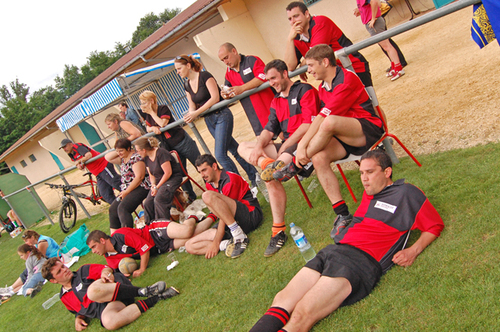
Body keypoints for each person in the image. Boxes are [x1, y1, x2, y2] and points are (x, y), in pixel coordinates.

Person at [250, 149, 445, 332]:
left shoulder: (407, 194)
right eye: (361, 173)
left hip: (360, 263)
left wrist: (413, 250)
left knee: (302, 312)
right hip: (333, 251)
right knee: (282, 300)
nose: (364, 179)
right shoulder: (370, 195)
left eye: (369, 172)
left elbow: (434, 225)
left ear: (387, 172)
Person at [274, 44, 384, 235]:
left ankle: (297, 166)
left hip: (367, 131)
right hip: (343, 136)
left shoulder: (346, 79)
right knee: (318, 158)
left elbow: (325, 120)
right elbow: (318, 121)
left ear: (325, 62)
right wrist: (302, 147)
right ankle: (342, 214)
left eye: (310, 65)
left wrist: (300, 149)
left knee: (328, 122)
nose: (307, 70)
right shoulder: (324, 88)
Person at [238, 59, 320, 257]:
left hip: (306, 144)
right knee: (243, 147)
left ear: (285, 74)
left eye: (274, 78)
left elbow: (310, 124)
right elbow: (269, 129)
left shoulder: (305, 90)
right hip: (286, 149)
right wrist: (259, 148)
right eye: (268, 79)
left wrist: (285, 144)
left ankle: (278, 231)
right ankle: (269, 165)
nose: (271, 82)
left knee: (269, 177)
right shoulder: (275, 101)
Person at [174, 54, 258, 187]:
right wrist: (190, 114)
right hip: (209, 120)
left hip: (222, 116)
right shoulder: (186, 85)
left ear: (188, 66)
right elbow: (191, 106)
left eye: (179, 68)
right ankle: (254, 177)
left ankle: (238, 186)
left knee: (220, 155)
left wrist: (196, 113)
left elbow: (215, 98)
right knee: (235, 150)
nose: (177, 72)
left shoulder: (205, 76)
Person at [42, 257, 179, 331]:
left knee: (91, 292)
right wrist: (78, 319)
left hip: (117, 289)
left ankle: (143, 291)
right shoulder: (64, 298)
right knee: (109, 322)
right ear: (53, 281)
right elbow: (78, 310)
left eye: (63, 266)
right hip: (111, 307)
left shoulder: (82, 272)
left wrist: (105, 274)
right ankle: (158, 297)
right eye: (59, 272)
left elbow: (106, 269)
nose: (65, 270)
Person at [185, 154, 263, 259]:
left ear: (214, 166)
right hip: (231, 222)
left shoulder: (230, 180)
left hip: (251, 216)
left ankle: (240, 237)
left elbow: (225, 214)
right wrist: (217, 243)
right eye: (199, 172)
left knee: (206, 196)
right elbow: (221, 214)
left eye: (204, 170)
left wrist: (216, 241)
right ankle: (226, 245)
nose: (202, 175)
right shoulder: (210, 183)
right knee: (189, 245)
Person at [284, 1, 373, 87]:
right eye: (290, 19)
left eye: (296, 16)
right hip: (333, 76)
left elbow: (315, 54)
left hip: (354, 68)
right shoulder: (295, 37)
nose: (293, 21)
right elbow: (290, 66)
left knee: (367, 101)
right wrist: (289, 39)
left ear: (307, 14)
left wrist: (303, 64)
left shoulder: (320, 22)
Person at [86, 217, 211, 277]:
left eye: (94, 246)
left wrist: (141, 269)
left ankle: (190, 216)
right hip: (158, 248)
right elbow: (114, 271)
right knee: (192, 237)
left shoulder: (120, 235)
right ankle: (213, 216)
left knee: (187, 231)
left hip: (155, 231)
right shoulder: (108, 256)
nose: (93, 251)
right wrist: (124, 276)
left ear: (102, 240)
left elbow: (144, 249)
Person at [139, 90, 201, 202]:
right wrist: (152, 128)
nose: (142, 106)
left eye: (144, 102)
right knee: (181, 172)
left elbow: (163, 123)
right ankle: (191, 198)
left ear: (151, 101)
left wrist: (152, 113)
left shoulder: (162, 108)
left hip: (182, 141)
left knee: (199, 163)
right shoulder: (148, 117)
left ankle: (214, 187)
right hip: (170, 147)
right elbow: (147, 128)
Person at [218, 43, 274, 136]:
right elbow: (227, 88)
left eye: (226, 57)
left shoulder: (251, 60)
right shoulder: (228, 74)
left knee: (286, 136)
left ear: (234, 51)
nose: (225, 62)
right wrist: (225, 95)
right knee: (264, 145)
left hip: (271, 108)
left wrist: (242, 88)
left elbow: (263, 76)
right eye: (222, 60)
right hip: (254, 117)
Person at [105, 139, 151, 233]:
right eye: (117, 151)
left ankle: (128, 236)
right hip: (127, 189)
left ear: (129, 148)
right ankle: (115, 237)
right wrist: (118, 149)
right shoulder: (122, 159)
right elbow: (108, 157)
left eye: (121, 150)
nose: (119, 153)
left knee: (123, 208)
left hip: (141, 186)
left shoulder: (135, 158)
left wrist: (127, 191)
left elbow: (139, 177)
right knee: (113, 209)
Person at [134, 137, 183, 224]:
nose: (137, 153)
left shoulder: (161, 153)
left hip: (172, 179)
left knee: (159, 199)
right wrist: (153, 185)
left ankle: (163, 225)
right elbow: (151, 175)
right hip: (158, 182)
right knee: (147, 203)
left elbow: (168, 173)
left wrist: (157, 187)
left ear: (144, 150)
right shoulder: (146, 158)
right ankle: (150, 226)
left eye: (138, 150)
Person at [354, 0, 406, 80]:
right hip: (376, 22)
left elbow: (374, 2)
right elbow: (377, 4)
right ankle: (394, 66)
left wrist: (373, 18)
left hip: (375, 23)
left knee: (387, 46)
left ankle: (398, 67)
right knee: (386, 46)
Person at [60, 139, 121, 204]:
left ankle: (131, 196)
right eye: (63, 148)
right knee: (105, 194)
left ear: (71, 144)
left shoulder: (77, 146)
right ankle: (120, 208)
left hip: (103, 166)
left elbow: (88, 155)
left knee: (117, 184)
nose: (64, 149)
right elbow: (79, 163)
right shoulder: (71, 154)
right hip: (97, 173)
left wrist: (79, 161)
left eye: (65, 147)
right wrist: (79, 165)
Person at [0, 230, 60, 297]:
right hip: (48, 261)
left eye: (26, 241)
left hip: (54, 259)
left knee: (27, 274)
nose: (26, 243)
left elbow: (40, 257)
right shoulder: (39, 242)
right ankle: (11, 290)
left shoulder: (41, 243)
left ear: (32, 237)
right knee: (28, 274)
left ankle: (11, 289)